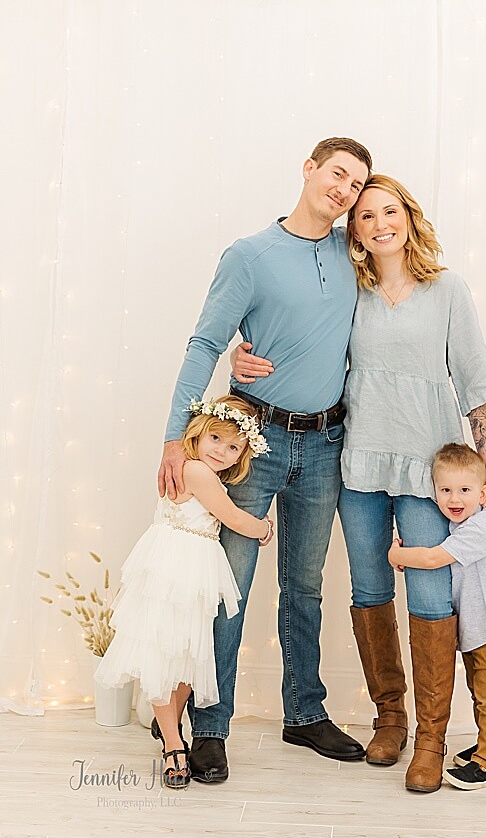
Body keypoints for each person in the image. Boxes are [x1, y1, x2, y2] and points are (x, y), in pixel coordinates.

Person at [232, 173, 486, 793]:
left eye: (390, 211)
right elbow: (296, 341)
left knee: (432, 598)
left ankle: (432, 739)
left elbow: (475, 381)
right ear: (352, 229)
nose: (380, 223)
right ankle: (391, 718)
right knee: (370, 588)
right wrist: (241, 356)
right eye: (366, 215)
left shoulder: (447, 290)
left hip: (431, 472)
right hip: (358, 465)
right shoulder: (349, 291)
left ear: (408, 217)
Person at [158, 137, 374, 783]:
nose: (345, 190)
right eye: (338, 173)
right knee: (231, 586)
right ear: (309, 170)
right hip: (256, 441)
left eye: (357, 184)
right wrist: (175, 437)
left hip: (327, 441)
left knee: (304, 586)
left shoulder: (353, 253)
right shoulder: (249, 255)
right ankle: (210, 723)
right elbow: (205, 341)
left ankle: (304, 710)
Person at [99, 396, 274, 788]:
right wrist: (263, 528)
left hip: (197, 567)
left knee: (192, 657)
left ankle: (169, 726)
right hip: (175, 566)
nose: (222, 451)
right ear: (199, 431)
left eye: (233, 447)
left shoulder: (203, 472)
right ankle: (174, 746)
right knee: (167, 654)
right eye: (216, 437)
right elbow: (230, 517)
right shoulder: (194, 470)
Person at [388, 443, 486, 791]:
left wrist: (398, 554)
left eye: (464, 490)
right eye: (445, 490)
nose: (454, 498)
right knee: (480, 692)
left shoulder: (479, 529)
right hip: (479, 630)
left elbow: (433, 559)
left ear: (483, 494)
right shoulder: (460, 529)